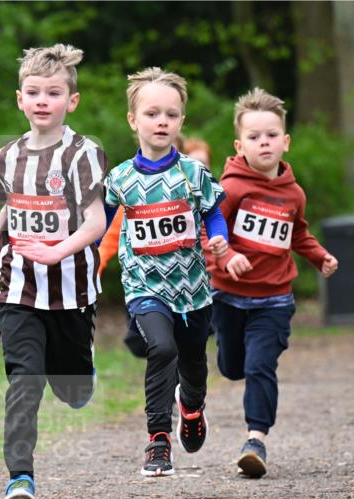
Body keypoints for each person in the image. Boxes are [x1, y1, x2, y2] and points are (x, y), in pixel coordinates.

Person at [0, 44, 107, 499]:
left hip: (71, 288)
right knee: (23, 378)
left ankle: (80, 363)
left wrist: (58, 250)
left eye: (54, 92)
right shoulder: (6, 156)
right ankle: (20, 477)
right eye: (34, 92)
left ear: (72, 100)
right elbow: (13, 204)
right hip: (16, 287)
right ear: (20, 99)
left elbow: (94, 223)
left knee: (72, 391)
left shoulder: (84, 153)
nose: (42, 99)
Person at [103, 67, 249, 477]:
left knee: (194, 366)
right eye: (151, 113)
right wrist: (82, 258)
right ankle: (158, 441)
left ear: (181, 121)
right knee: (161, 350)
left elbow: (213, 216)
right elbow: (97, 224)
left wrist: (220, 239)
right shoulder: (119, 179)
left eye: (170, 114)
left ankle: (192, 406)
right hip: (144, 286)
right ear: (133, 120)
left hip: (193, 289)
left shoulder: (192, 173)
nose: (161, 121)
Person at [204, 88, 338, 479]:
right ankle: (231, 363)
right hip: (228, 296)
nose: (264, 142)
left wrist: (319, 256)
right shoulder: (230, 189)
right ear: (239, 144)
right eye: (254, 137)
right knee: (233, 367)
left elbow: (298, 234)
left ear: (285, 141)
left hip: (274, 299)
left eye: (271, 135)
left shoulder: (293, 193)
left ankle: (255, 440)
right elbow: (205, 234)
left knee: (261, 366)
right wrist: (226, 256)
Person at [99, 137, 213, 278]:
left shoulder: (196, 196)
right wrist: (90, 272)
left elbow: (215, 237)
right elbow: (107, 241)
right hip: (148, 284)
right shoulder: (132, 198)